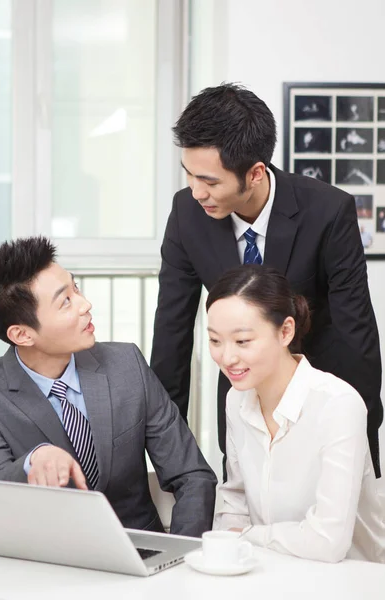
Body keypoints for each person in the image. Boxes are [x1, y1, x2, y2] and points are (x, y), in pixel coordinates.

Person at [150, 83, 383, 477]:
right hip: (241, 395)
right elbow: (171, 331)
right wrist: (166, 448)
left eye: (210, 181)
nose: (196, 191)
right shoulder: (186, 213)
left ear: (255, 173)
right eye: (189, 175)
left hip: (318, 391)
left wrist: (360, 432)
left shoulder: (328, 211)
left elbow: (354, 331)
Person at [0, 237, 217, 537]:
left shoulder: (127, 366)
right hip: (48, 567)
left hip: (142, 556)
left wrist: (180, 559)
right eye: (65, 301)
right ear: (22, 335)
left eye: (75, 288)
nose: (85, 305)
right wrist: (32, 461)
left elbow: (192, 476)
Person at [208, 264, 385, 563]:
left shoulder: (338, 405)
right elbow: (234, 503)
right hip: (270, 571)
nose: (227, 357)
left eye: (242, 341)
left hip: (350, 581)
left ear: (286, 331)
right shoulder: (236, 401)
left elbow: (328, 543)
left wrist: (249, 535)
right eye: (214, 340)